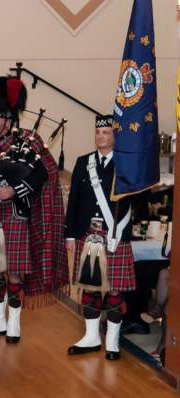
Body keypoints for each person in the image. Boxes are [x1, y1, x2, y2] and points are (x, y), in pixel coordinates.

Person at [0, 76, 68, 344]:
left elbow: (41, 176)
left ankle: (14, 322)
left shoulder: (27, 144)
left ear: (9, 119)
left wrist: (14, 191)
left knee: (13, 270)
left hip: (16, 215)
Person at [64, 114, 136, 360]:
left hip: (114, 234)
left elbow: (134, 202)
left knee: (115, 291)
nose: (100, 137)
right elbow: (73, 201)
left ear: (115, 135)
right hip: (88, 234)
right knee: (90, 288)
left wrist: (122, 231)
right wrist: (70, 235)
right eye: (98, 132)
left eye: (105, 132)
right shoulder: (83, 162)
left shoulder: (126, 164)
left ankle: (113, 341)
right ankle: (92, 337)